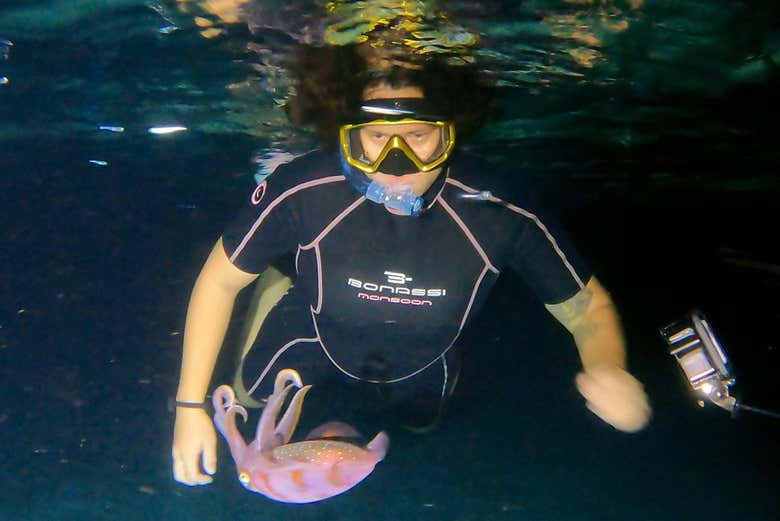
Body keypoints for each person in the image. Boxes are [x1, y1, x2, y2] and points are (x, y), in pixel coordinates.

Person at [172, 44, 651, 486]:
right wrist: (189, 405)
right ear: (349, 138)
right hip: (314, 328)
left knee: (420, 422)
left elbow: (585, 308)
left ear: (450, 135)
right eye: (377, 137)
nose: (395, 164)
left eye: (419, 137)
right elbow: (219, 282)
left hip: (425, 356)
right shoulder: (302, 190)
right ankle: (281, 280)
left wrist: (610, 368)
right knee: (251, 394)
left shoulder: (501, 210)